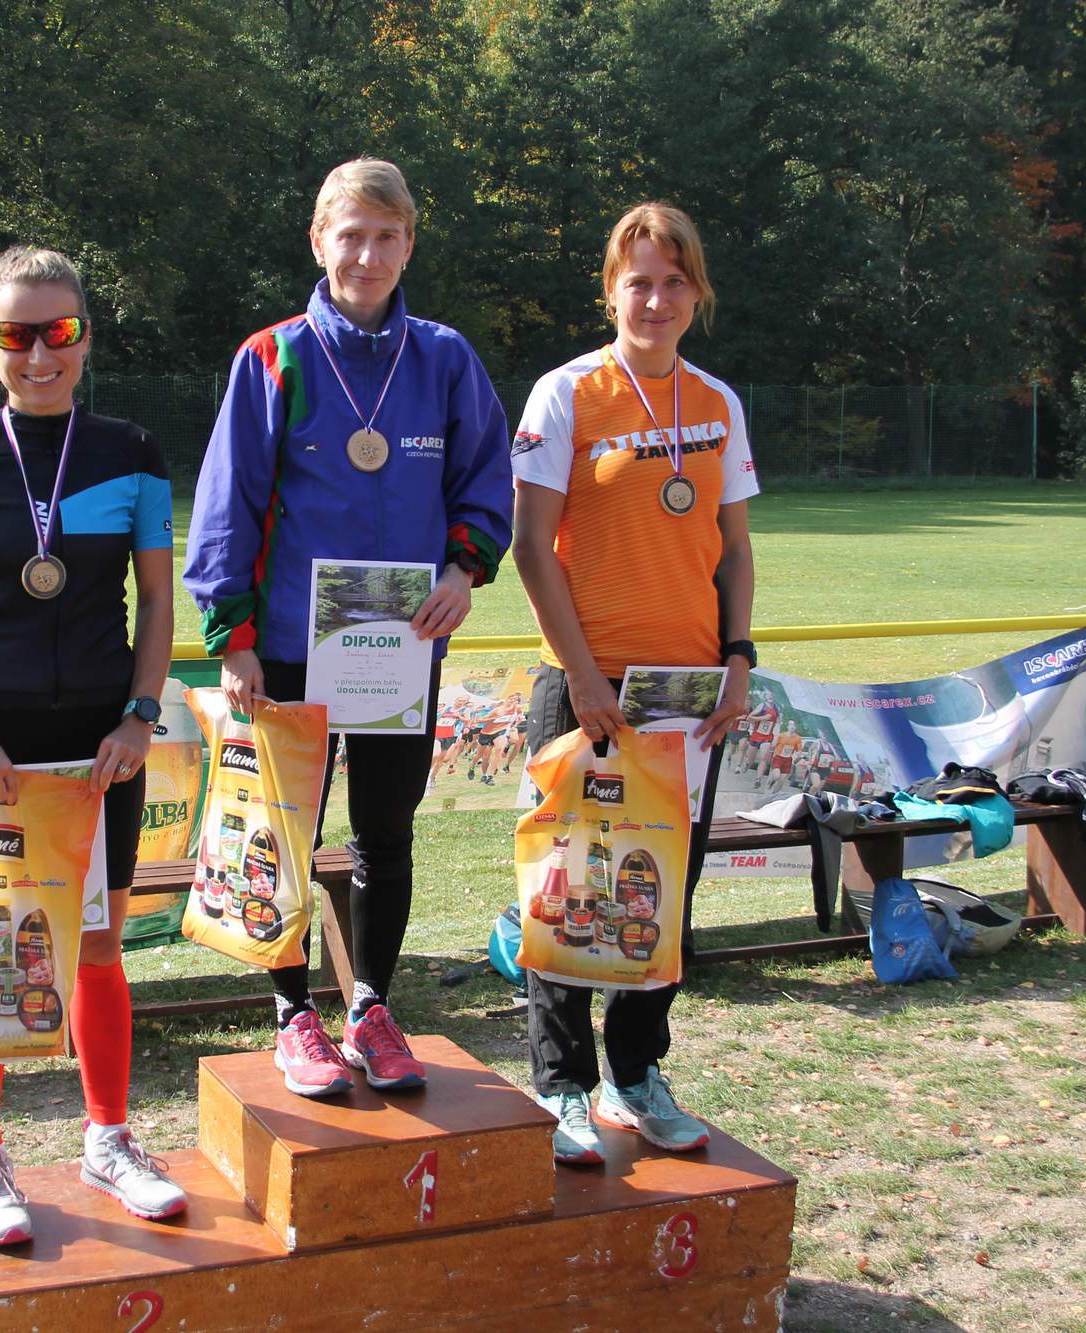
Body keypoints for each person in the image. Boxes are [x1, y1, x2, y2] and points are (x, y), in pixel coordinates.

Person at [185, 158, 512, 1099]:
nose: (368, 254)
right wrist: (234, 637)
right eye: (351, 235)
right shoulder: (272, 357)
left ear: (410, 244)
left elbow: (487, 478)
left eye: (387, 236)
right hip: (287, 646)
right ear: (319, 241)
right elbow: (227, 504)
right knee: (280, 833)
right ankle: (293, 1014)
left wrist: (463, 569)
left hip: (400, 644)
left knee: (384, 833)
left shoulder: (445, 358)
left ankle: (371, 1005)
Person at [0, 244, 183, 1251]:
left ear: (85, 336)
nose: (39, 354)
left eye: (58, 331)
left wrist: (139, 716)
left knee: (97, 947)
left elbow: (157, 601)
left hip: (99, 750)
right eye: (16, 334)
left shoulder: (132, 451)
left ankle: (109, 1139)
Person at [508, 201, 757, 1166]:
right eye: (638, 281)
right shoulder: (567, 392)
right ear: (610, 290)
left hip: (687, 690)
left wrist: (737, 656)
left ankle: (637, 1071)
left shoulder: (718, 400)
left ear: (697, 292)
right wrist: (581, 676)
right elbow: (533, 547)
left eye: (674, 281)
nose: (656, 300)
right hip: (587, 683)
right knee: (570, 889)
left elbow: (735, 547)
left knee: (662, 893)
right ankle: (564, 1082)